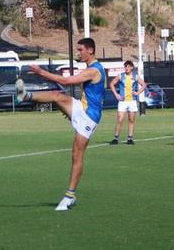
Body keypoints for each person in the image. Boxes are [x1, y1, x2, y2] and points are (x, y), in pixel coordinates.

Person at [14, 38, 106, 211]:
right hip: (81, 109)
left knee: (76, 155)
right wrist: (70, 112)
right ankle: (25, 96)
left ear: (91, 50)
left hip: (90, 117)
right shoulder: (91, 68)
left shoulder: (94, 70)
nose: (78, 52)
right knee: (58, 96)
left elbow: (66, 81)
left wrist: (41, 72)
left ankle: (69, 196)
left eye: (80, 50)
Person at [109, 60, 146, 145]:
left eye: (128, 66)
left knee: (131, 119)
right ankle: (116, 138)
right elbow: (111, 84)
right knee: (120, 119)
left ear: (132, 67)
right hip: (122, 101)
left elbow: (144, 85)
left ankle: (130, 138)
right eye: (125, 66)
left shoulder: (135, 76)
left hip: (132, 101)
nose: (126, 68)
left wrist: (138, 93)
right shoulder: (120, 76)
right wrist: (116, 94)